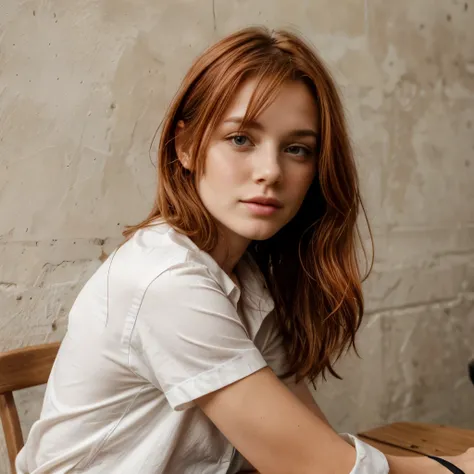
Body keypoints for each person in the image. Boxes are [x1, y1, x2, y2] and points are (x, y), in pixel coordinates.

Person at [16, 26, 473, 474]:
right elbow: (316, 465)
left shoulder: (245, 278)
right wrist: (452, 468)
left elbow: (308, 442)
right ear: (187, 147)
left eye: (297, 149)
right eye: (240, 139)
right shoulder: (166, 280)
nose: (270, 171)